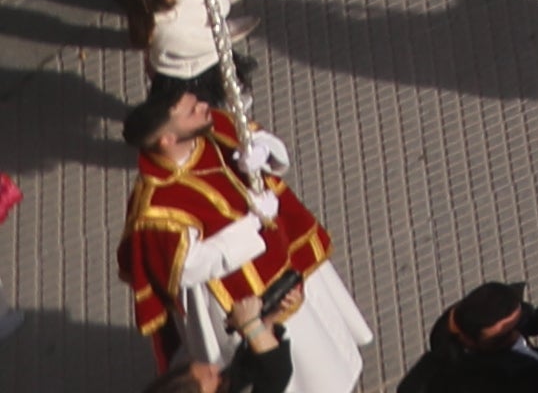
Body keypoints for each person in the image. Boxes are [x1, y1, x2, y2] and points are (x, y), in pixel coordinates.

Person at [123, 82, 369, 393]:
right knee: (273, 364)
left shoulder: (213, 125)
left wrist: (263, 152)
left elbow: (262, 140)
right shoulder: (154, 208)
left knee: (315, 336)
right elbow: (189, 267)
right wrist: (253, 224)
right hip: (231, 292)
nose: (204, 107)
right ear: (167, 139)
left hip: (282, 256)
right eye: (192, 110)